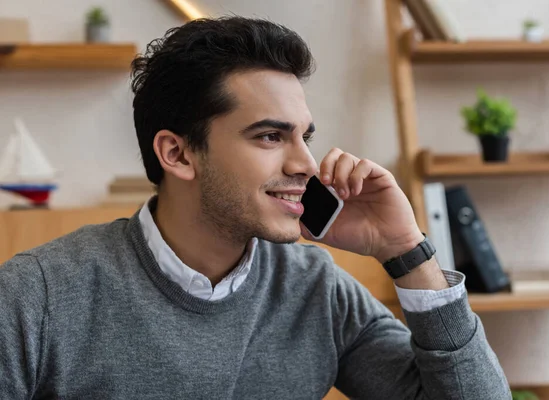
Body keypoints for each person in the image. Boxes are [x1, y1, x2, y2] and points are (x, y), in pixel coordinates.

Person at [0, 16, 510, 399]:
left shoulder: (314, 286)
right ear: (176, 153)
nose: (308, 165)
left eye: (304, 137)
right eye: (270, 136)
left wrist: (406, 251)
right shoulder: (35, 296)